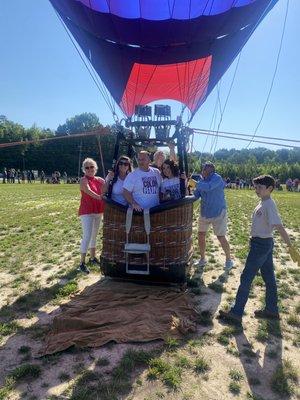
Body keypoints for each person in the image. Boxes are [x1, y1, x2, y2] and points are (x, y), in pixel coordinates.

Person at [219, 175, 299, 325]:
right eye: (256, 187)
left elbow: (279, 226)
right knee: (269, 278)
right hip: (262, 243)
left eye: (260, 187)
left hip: (261, 245)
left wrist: (290, 246)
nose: (257, 190)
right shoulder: (263, 203)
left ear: (270, 189)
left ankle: (236, 312)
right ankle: (271, 310)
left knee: (246, 277)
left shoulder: (269, 205)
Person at [194, 162, 233, 270]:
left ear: (211, 170)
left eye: (205, 169)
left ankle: (229, 260)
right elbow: (196, 195)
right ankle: (202, 259)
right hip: (205, 213)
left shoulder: (217, 178)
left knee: (220, 236)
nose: (203, 171)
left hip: (218, 212)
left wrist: (194, 183)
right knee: (201, 234)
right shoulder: (201, 181)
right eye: (203, 169)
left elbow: (209, 187)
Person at [78, 158, 105, 274]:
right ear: (84, 169)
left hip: (98, 211)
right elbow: (88, 191)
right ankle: (82, 263)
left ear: (95, 168)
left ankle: (93, 258)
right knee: (87, 236)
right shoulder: (83, 180)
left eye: (91, 167)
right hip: (87, 212)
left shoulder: (100, 180)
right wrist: (99, 197)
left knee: (94, 235)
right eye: (87, 167)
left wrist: (110, 176)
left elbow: (107, 187)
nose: (89, 169)